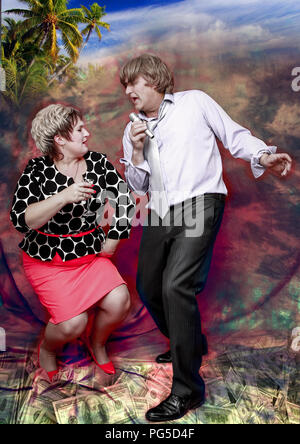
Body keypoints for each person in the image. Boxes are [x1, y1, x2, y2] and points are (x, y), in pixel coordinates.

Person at [119, 53, 292, 422]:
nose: (128, 91)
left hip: (200, 201)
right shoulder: (131, 126)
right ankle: (190, 343)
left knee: (176, 286)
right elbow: (138, 185)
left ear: (153, 80)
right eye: (125, 86)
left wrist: (264, 155)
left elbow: (234, 136)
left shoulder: (194, 102)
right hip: (160, 209)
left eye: (133, 83)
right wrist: (135, 151)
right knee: (148, 286)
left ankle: (186, 391)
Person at [10, 104, 135, 382]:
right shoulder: (37, 170)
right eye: (79, 129)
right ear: (60, 139)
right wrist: (63, 197)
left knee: (119, 302)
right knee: (72, 324)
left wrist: (113, 239)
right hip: (48, 262)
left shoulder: (98, 163)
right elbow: (22, 220)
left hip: (89, 258)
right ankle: (48, 348)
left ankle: (98, 343)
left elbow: (125, 200)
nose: (87, 134)